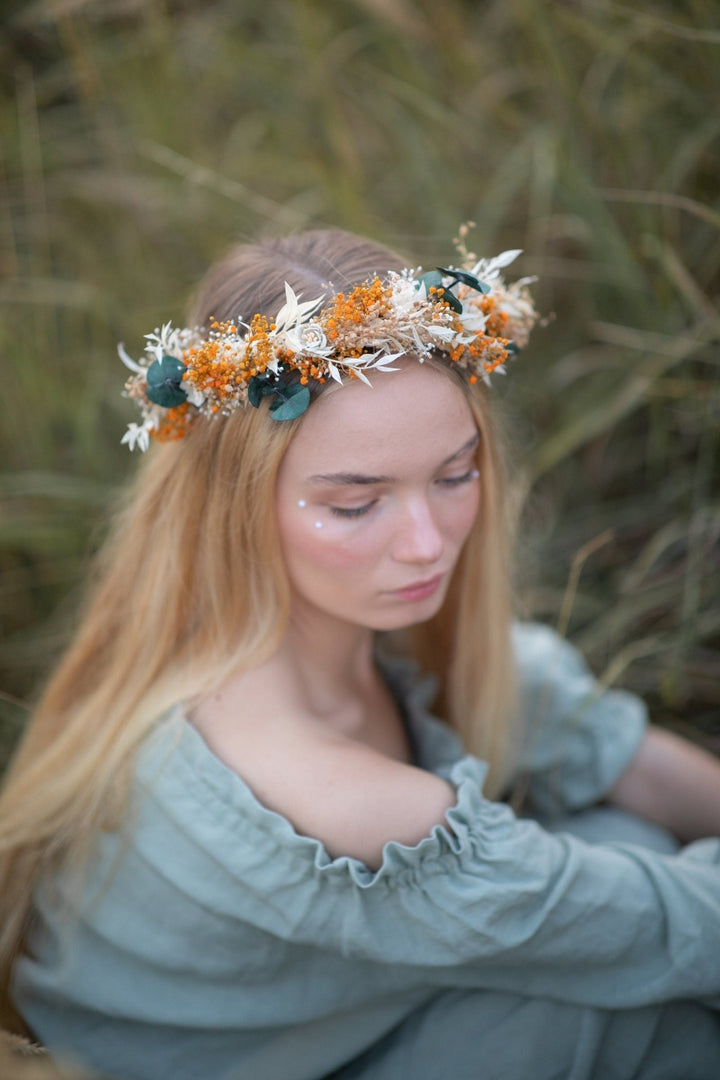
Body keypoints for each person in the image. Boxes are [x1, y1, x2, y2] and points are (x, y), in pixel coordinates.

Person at [1, 228, 719, 1080]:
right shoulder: (319, 789)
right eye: (354, 506)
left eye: (454, 476)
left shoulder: (353, 646)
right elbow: (679, 928)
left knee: (620, 828)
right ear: (235, 506)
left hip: (348, 1030)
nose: (427, 543)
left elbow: (624, 755)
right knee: (633, 1006)